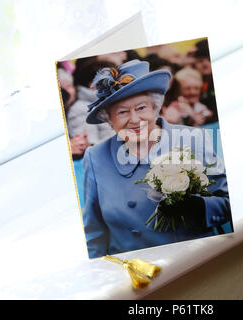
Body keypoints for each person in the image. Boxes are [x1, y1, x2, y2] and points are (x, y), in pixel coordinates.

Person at [82, 59, 231, 258]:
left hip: (193, 262)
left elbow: (229, 202)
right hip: (136, 277)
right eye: (123, 112)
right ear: (109, 119)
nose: (134, 119)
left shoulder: (193, 139)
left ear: (155, 107)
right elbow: (94, 233)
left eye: (141, 108)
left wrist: (199, 208)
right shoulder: (95, 157)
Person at [66, 58, 116, 159]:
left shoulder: (106, 104)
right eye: (109, 81)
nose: (115, 84)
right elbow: (90, 147)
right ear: (92, 84)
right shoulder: (80, 108)